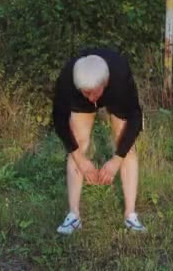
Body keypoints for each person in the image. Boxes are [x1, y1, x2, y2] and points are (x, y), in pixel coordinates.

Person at [52, 47, 146, 234]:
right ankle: (73, 215)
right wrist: (80, 158)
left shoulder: (120, 76)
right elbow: (59, 120)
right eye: (86, 93)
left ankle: (130, 215)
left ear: (105, 82)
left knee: (123, 139)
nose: (91, 98)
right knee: (78, 139)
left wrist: (117, 159)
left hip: (114, 93)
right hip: (84, 91)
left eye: (93, 93)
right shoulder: (68, 81)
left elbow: (135, 118)